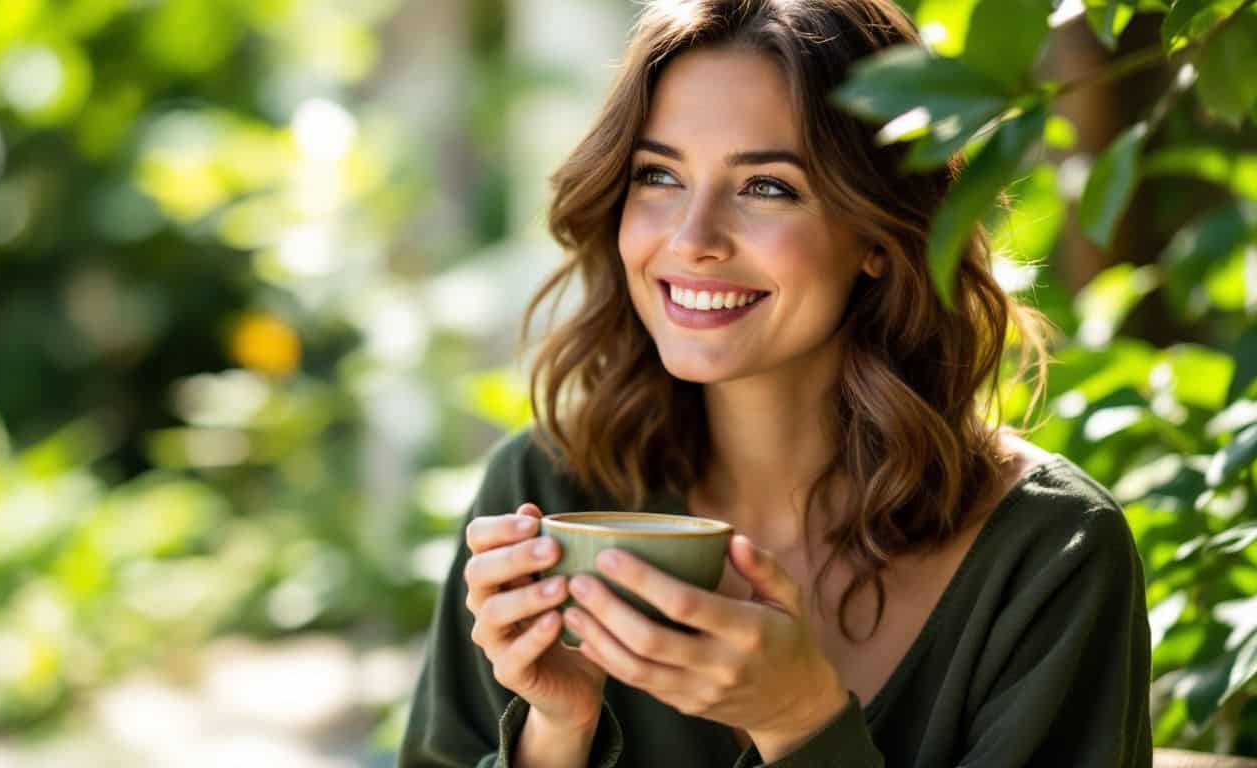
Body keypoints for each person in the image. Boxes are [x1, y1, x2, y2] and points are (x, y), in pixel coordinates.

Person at [398, 0, 1153, 765]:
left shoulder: (1049, 554)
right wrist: (554, 733)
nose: (692, 242)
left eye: (767, 187)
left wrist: (800, 720)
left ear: (879, 234)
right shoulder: (547, 494)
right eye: (658, 175)